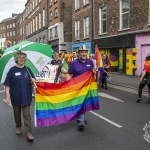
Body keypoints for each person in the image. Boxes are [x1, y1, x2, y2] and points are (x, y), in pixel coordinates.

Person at [4, 50, 35, 141]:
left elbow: (33, 82)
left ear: (25, 59)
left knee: (27, 115)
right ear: (16, 59)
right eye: (19, 57)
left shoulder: (28, 69)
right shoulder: (12, 70)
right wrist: (7, 96)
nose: (21, 59)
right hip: (15, 96)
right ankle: (18, 126)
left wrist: (33, 80)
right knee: (16, 114)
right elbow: (7, 85)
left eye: (23, 57)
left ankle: (28, 133)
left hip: (26, 95)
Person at [67, 44, 96, 129]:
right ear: (79, 53)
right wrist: (69, 84)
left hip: (87, 88)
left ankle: (80, 116)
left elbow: (92, 72)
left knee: (85, 103)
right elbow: (69, 74)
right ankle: (81, 121)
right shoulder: (74, 63)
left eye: (85, 52)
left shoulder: (90, 62)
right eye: (82, 52)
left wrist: (95, 77)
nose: (83, 54)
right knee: (80, 103)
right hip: (77, 88)